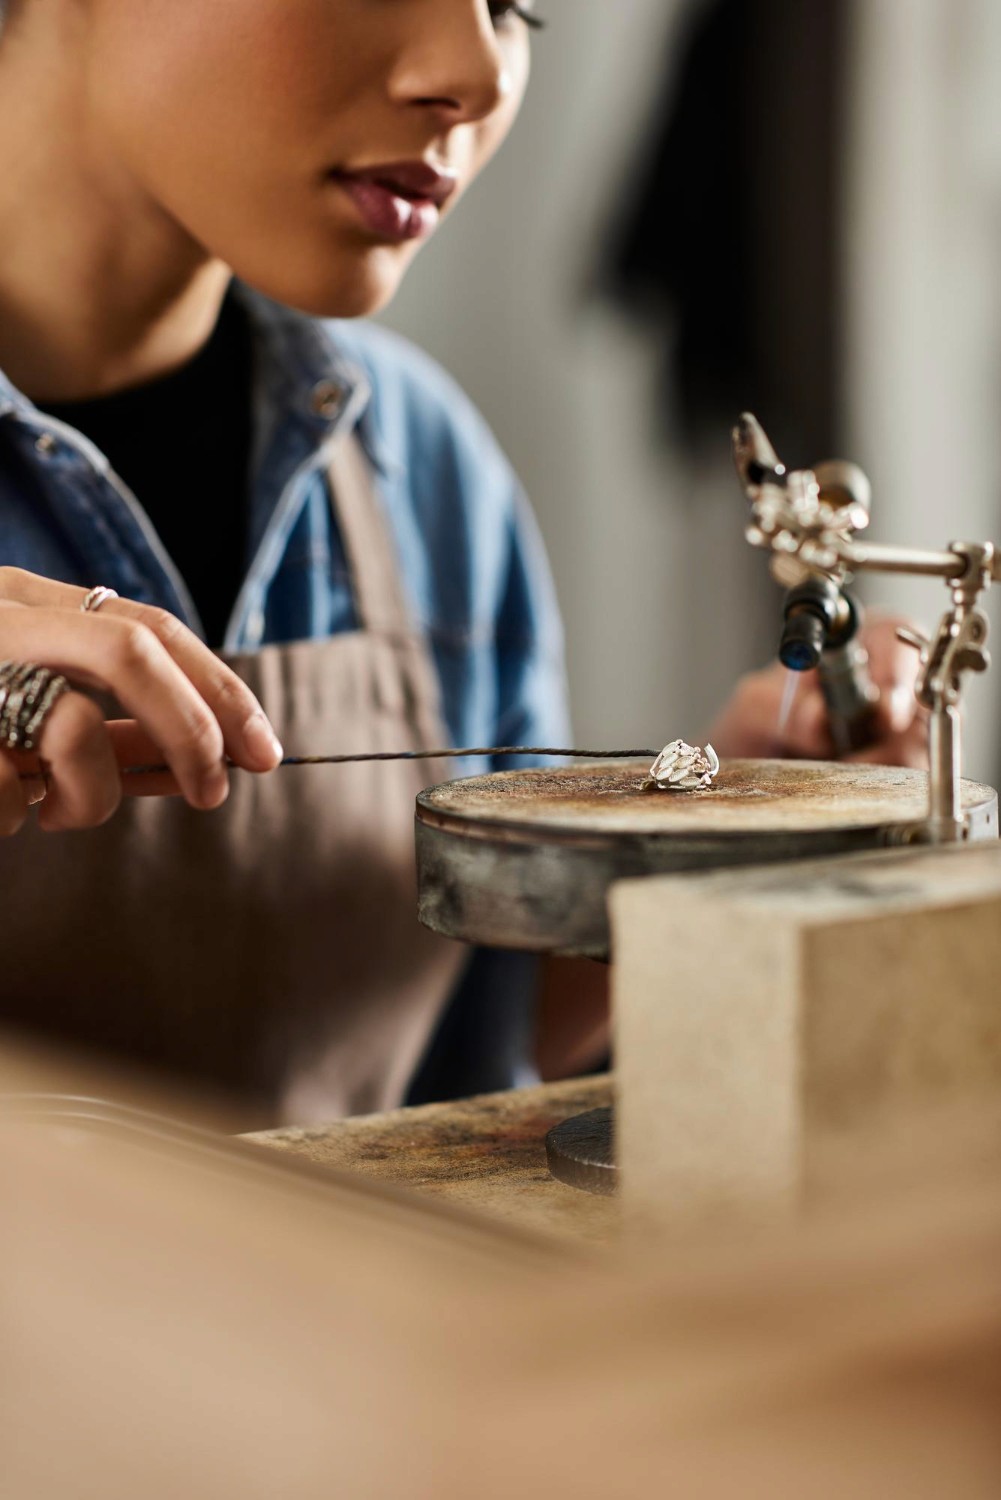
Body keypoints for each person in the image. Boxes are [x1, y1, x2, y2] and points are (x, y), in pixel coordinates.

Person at [0, 0, 924, 1123]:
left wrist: (693, 842)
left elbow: (465, 1055)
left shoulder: (427, 470)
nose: (477, 72)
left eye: (517, 2)